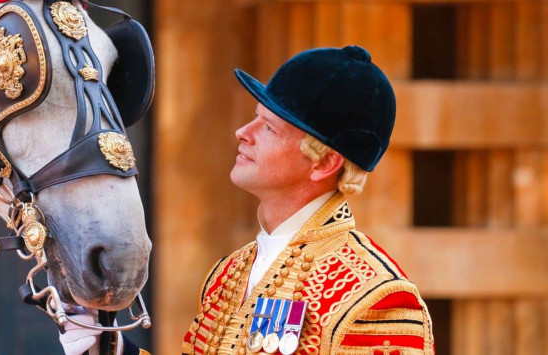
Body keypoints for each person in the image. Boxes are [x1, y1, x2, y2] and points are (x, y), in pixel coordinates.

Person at [61, 46, 435, 355]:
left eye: (268, 127)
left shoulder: (375, 298)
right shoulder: (228, 273)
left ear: (323, 162)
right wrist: (108, 346)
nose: (243, 132)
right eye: (255, 118)